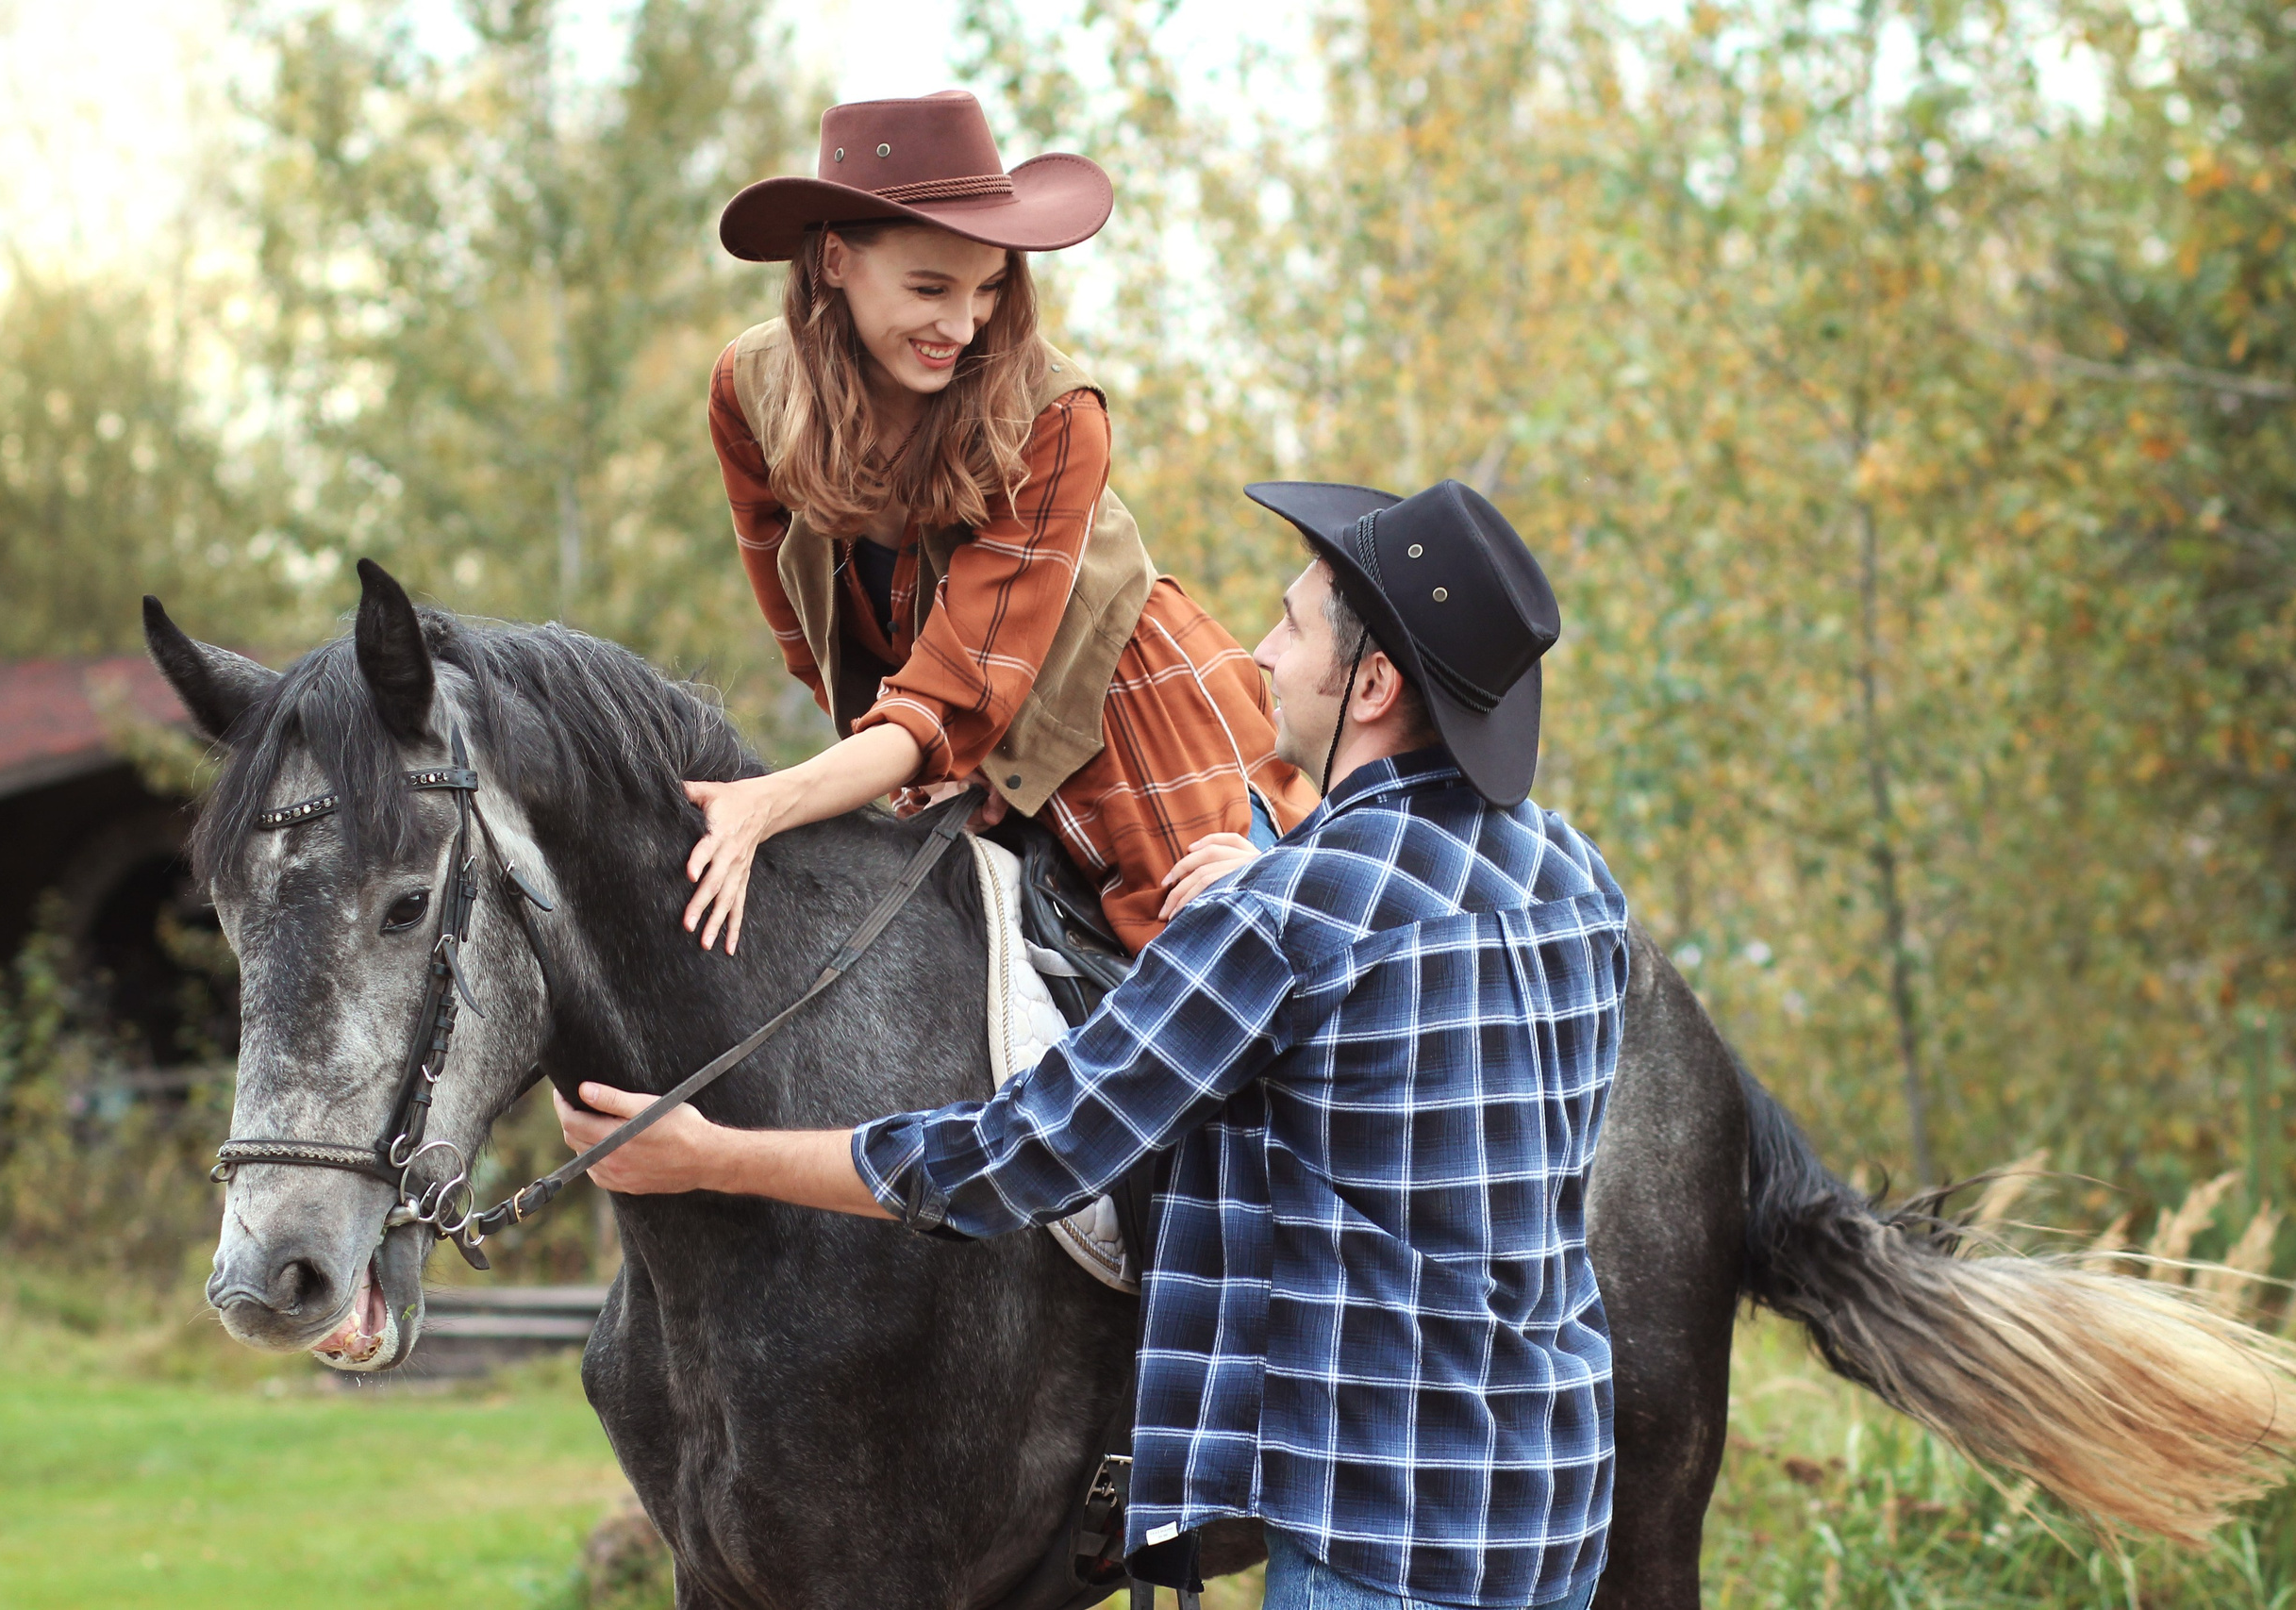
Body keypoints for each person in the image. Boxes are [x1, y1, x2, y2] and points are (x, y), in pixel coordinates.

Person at [562, 478, 1629, 1610]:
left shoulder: (1285, 921)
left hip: (1378, 1534)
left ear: (1370, 684)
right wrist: (1276, 873)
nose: (1258, 654)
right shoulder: (1569, 878)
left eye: (1292, 623)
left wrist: (706, 1157)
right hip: (1550, 1501)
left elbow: (1019, 1155)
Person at [690, 90, 1311, 955]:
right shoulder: (747, 390)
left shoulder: (1056, 416)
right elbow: (811, 638)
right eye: (929, 286)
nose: (961, 323)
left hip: (1130, 719)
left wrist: (772, 798)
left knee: (1217, 988)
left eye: (988, 287)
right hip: (951, 738)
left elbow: (961, 692)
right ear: (834, 260)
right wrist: (927, 765)